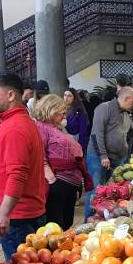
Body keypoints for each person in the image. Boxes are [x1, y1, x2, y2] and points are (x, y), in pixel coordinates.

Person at [0, 73, 46, 259]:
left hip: (18, 217)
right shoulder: (22, 121)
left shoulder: (13, 128)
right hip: (27, 211)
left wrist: (4, 213)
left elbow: (17, 174)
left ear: (10, 95)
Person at [35, 94, 92, 230]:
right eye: (62, 113)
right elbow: (40, 157)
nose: (64, 117)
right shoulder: (41, 128)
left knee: (65, 224)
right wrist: (52, 181)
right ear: (51, 110)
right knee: (56, 226)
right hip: (58, 184)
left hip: (68, 184)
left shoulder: (55, 128)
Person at [84, 86, 133, 219]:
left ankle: (101, 221)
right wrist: (103, 155)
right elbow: (96, 134)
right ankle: (88, 221)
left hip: (115, 159)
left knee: (109, 193)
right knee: (95, 191)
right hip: (98, 157)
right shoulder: (104, 108)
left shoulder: (125, 114)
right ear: (126, 98)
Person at [64, 88, 89, 152]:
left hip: (75, 144)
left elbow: (83, 131)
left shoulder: (80, 111)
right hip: (63, 144)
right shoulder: (60, 109)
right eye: (65, 95)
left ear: (74, 98)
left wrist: (80, 147)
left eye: (69, 96)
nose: (66, 98)